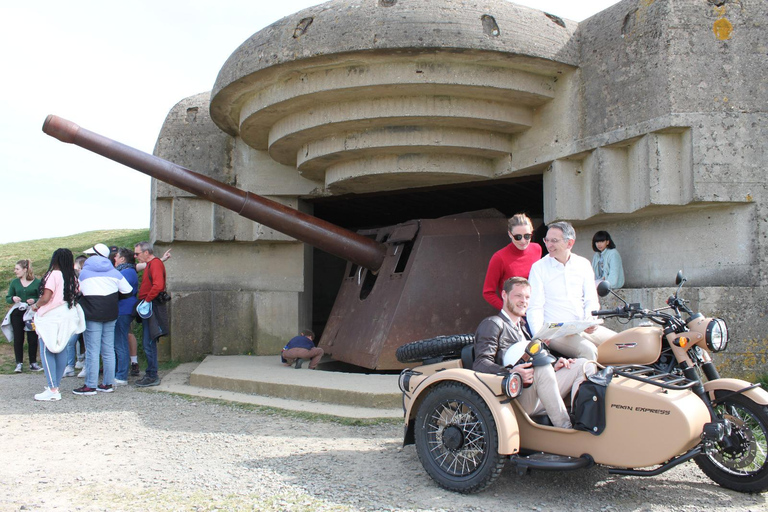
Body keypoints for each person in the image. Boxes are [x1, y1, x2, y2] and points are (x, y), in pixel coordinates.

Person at [473, 277, 593, 428]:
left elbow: (532, 358)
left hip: (536, 389)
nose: (524, 301)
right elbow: (480, 364)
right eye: (518, 296)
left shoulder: (523, 327)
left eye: (527, 297)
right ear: (504, 295)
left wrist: (555, 363)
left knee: (583, 365)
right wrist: (511, 372)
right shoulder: (493, 324)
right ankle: (566, 428)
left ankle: (582, 422)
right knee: (543, 369)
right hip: (514, 396)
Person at [527, 222, 616, 360]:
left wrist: (590, 321)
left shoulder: (583, 264)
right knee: (588, 351)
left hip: (582, 326)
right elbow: (534, 307)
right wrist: (539, 335)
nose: (548, 245)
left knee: (622, 344)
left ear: (570, 243)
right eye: (547, 240)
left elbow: (591, 300)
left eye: (554, 241)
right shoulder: (539, 268)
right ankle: (591, 381)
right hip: (556, 331)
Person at [74, 243, 133, 395]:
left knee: (92, 350)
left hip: (92, 314)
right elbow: (128, 291)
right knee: (108, 350)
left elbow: (77, 292)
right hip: (111, 313)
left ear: (92, 256)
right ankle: (108, 383)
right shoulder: (114, 272)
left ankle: (90, 386)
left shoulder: (84, 273)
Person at [30, 249, 85, 401]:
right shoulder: (73, 277)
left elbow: (46, 297)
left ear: (55, 259)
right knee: (61, 349)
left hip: (51, 316)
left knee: (47, 350)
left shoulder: (53, 274)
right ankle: (56, 386)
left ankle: (52, 389)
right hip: (67, 315)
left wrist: (35, 305)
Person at [482, 214, 542, 310]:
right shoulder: (499, 257)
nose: (523, 241)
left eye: (527, 236)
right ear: (510, 234)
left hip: (536, 309)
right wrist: (508, 310)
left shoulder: (537, 249)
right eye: (518, 237)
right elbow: (488, 292)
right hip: (514, 311)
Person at [134, 241, 169, 387]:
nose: (136, 256)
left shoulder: (154, 264)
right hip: (150, 305)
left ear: (146, 252)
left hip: (152, 305)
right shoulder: (153, 264)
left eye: (137, 253)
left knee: (149, 341)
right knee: (149, 341)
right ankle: (150, 373)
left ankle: (152, 374)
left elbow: (158, 285)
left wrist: (147, 300)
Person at [5, 259, 42, 373]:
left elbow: (42, 297)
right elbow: (8, 298)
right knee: (18, 338)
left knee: (32, 338)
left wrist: (34, 300)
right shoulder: (15, 282)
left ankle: (33, 363)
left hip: (31, 313)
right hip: (17, 313)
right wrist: (13, 298)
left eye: (17, 269)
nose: (15, 271)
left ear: (25, 269)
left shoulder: (37, 282)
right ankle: (19, 363)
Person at [112, 248, 139, 385]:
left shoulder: (125, 272)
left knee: (120, 342)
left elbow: (119, 290)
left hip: (122, 310)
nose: (114, 259)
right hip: (124, 310)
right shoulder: (129, 271)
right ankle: (119, 373)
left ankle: (121, 375)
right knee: (120, 341)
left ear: (122, 259)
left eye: (116, 256)